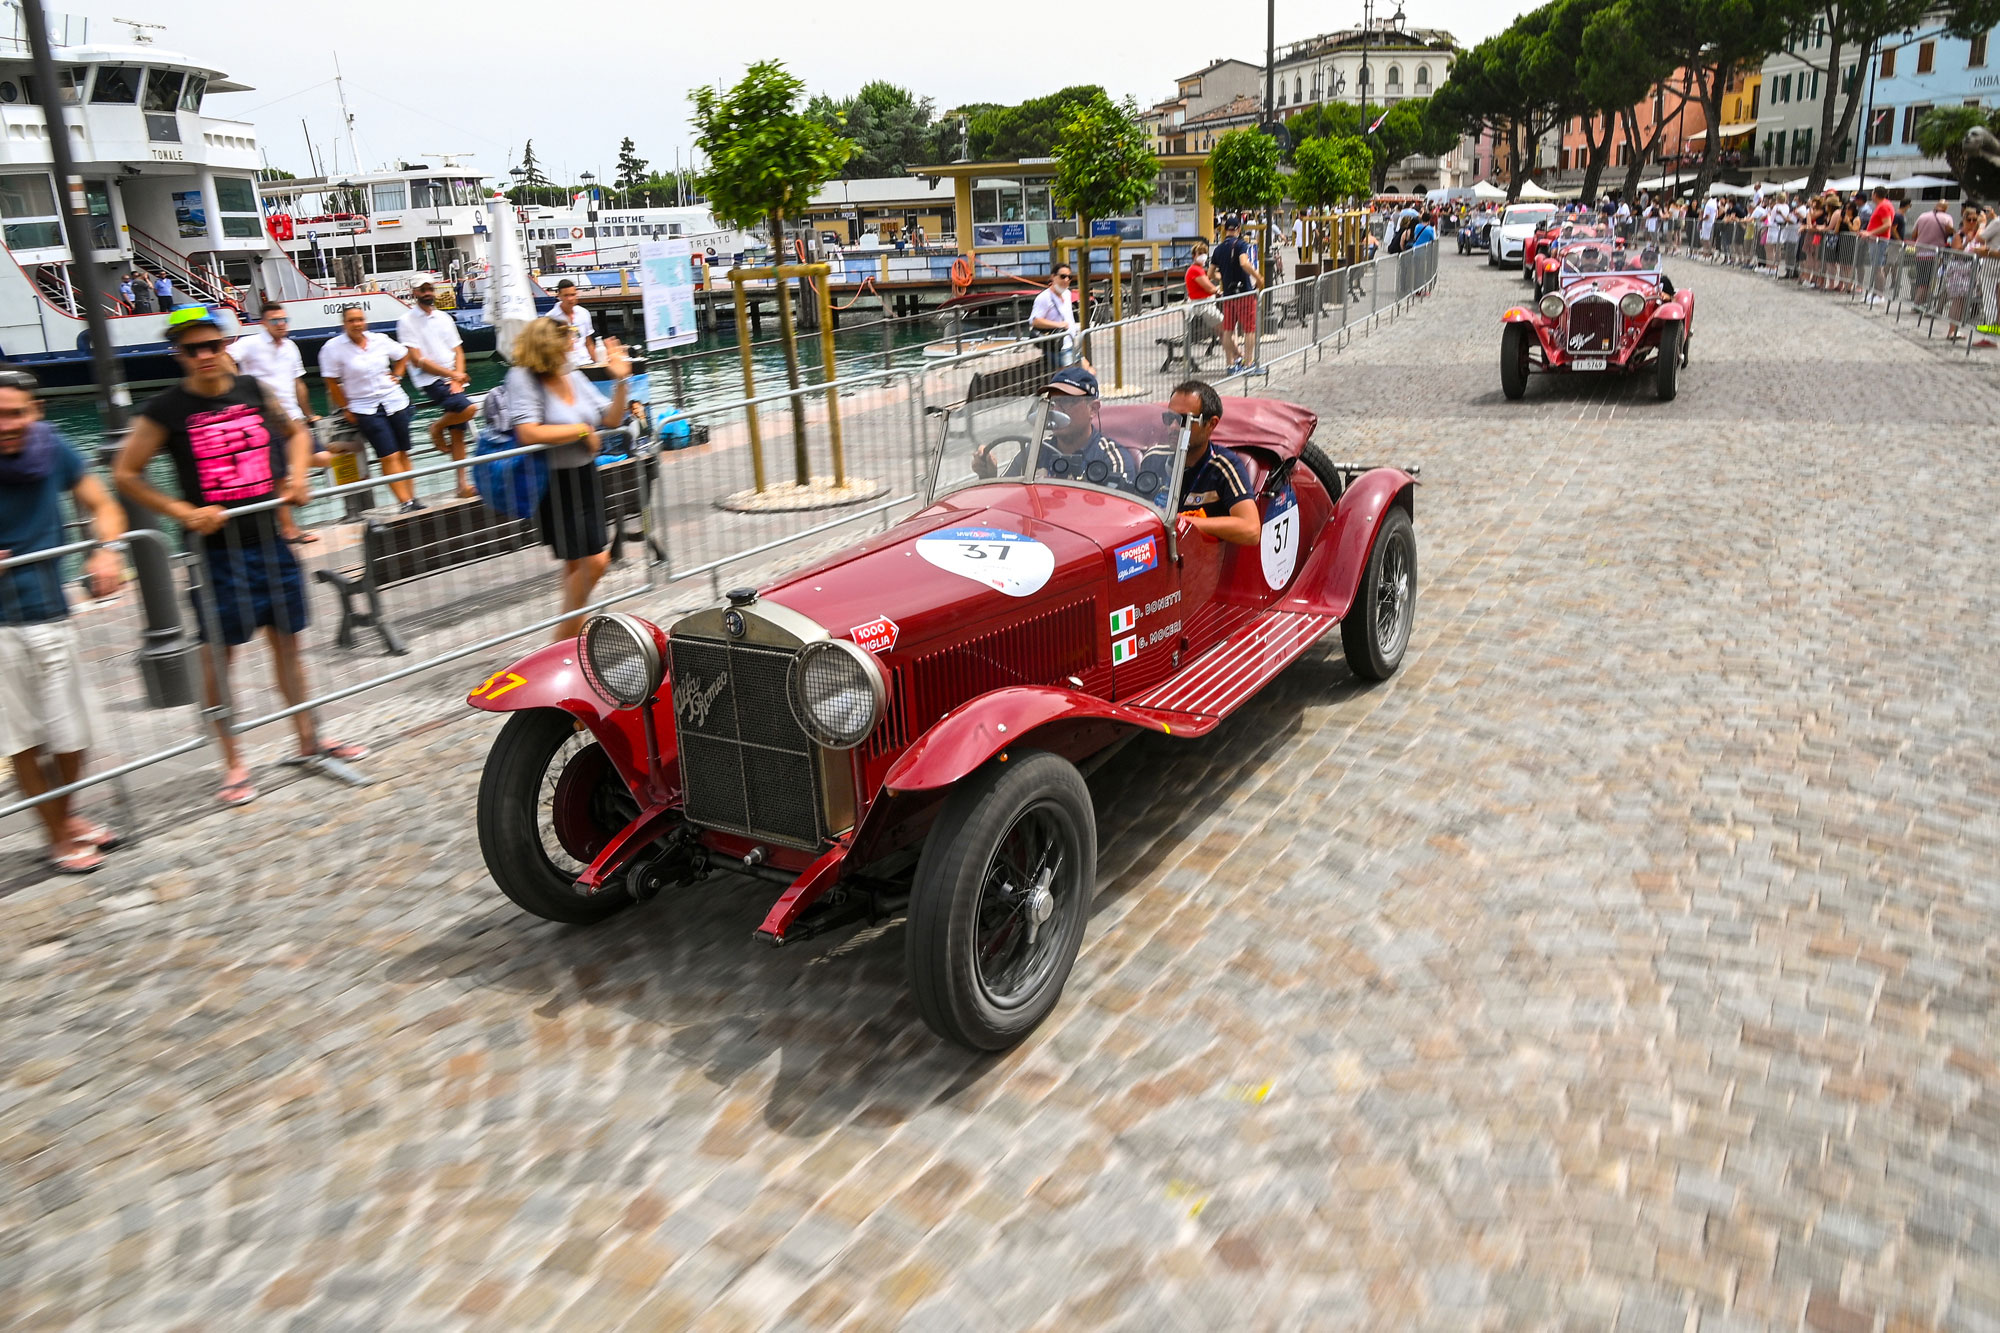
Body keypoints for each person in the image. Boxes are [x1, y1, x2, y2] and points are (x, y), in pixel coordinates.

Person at [113, 306, 369, 807]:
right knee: (219, 656)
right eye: (193, 349)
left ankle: (308, 739)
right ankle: (232, 762)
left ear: (227, 344)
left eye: (213, 345)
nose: (205, 356)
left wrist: (295, 477)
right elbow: (125, 473)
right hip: (217, 553)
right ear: (178, 354)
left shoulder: (253, 389)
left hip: (271, 541)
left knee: (288, 646)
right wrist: (183, 512)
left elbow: (295, 434)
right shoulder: (166, 409)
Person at [0, 366, 126, 872]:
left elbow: (102, 503)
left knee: (73, 731)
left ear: (36, 413)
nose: (5, 424)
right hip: (1, 625)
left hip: (51, 612)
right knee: (24, 739)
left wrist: (108, 551)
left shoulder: (52, 449)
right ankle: (57, 837)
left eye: (15, 413)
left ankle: (66, 816)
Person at [499, 316, 632, 641]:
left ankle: (570, 638)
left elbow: (612, 419)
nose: (573, 346)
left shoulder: (571, 375)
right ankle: (561, 640)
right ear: (547, 347)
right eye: (567, 342)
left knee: (578, 565)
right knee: (596, 561)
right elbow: (528, 431)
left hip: (584, 475)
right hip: (554, 483)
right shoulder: (523, 377)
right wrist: (581, 430)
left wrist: (621, 381)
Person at [317, 306, 456, 512]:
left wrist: (398, 376)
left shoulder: (379, 339)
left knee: (403, 452)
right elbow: (331, 382)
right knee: (388, 455)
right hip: (365, 407)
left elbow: (402, 355)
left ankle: (413, 498)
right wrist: (346, 407)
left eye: (360, 319)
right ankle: (404, 502)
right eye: (352, 320)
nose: (357, 324)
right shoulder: (332, 348)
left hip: (394, 401)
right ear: (344, 324)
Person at [231, 302, 325, 544]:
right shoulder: (250, 343)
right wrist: (241, 390)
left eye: (284, 320)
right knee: (279, 479)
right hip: (264, 420)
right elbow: (224, 357)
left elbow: (298, 383)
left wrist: (309, 413)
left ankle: (296, 480)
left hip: (292, 418)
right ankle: (289, 529)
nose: (281, 324)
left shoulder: (291, 346)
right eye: (275, 320)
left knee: (323, 457)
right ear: (263, 323)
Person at [969, 365, 1128, 485]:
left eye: (1066, 401)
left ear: (1093, 409)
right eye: (1051, 402)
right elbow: (1005, 498)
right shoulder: (1035, 451)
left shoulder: (1110, 458)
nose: (1056, 410)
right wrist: (988, 476)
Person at [396, 281, 479, 498]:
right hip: (431, 379)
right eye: (422, 290)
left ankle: (462, 485)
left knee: (459, 432)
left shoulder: (443, 318)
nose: (427, 293)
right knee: (469, 410)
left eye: (429, 289)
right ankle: (435, 427)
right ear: (414, 292)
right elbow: (416, 360)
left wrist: (458, 378)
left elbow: (458, 351)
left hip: (453, 378)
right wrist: (453, 376)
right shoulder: (406, 321)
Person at [1158, 379, 1258, 546]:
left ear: (1211, 424)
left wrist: (1181, 523)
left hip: (1202, 561)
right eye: (1169, 418)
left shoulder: (1223, 466)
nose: (1173, 426)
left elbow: (1251, 529)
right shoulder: (1154, 458)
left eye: (1184, 420)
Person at [1210, 214, 1261, 374]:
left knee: (1228, 330)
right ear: (1238, 229)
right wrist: (1258, 277)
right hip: (1244, 293)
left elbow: (1210, 273)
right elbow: (1244, 263)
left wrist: (1223, 276)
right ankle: (1249, 364)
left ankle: (1230, 365)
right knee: (1249, 329)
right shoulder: (1241, 245)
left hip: (1228, 295)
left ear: (1225, 230)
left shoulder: (1218, 249)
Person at [1030, 263, 1079, 371]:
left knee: (1086, 371)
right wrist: (1059, 325)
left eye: (1069, 277)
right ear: (1053, 277)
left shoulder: (1067, 294)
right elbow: (1035, 321)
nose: (1066, 280)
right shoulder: (1043, 298)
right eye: (1062, 276)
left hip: (1069, 341)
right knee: (1067, 377)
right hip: (1057, 345)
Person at [547, 280, 600, 369]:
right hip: (565, 366)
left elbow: (589, 342)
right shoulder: (551, 317)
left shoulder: (584, 313)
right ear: (559, 296)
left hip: (586, 362)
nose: (570, 299)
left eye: (572, 295)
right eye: (566, 295)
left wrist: (597, 363)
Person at [1910, 199, 1953, 306]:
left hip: (1920, 251)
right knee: (1927, 282)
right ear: (1946, 208)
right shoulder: (1947, 218)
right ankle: (1917, 304)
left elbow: (1914, 234)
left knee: (1921, 280)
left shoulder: (1923, 216)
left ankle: (1920, 303)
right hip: (1935, 253)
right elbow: (1950, 235)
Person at [1862, 185, 1896, 304]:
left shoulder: (1884, 206)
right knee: (1876, 267)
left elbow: (1887, 224)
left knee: (1878, 267)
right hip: (1876, 239)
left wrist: (1869, 233)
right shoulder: (1884, 205)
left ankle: (1879, 295)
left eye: (1872, 193)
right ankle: (1876, 292)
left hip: (1879, 240)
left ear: (1875, 194)